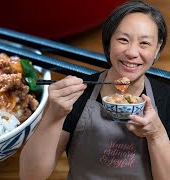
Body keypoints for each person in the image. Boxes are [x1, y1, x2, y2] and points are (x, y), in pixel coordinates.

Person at [19, 1, 170, 179]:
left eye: (144, 43)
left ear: (157, 48)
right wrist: (53, 114)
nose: (132, 52)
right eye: (123, 40)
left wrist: (156, 133)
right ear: (108, 42)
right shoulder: (77, 94)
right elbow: (30, 175)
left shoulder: (166, 97)